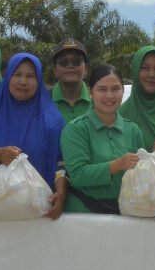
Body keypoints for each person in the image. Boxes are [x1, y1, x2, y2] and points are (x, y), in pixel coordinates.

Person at [0, 52, 67, 217]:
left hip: (40, 211)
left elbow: (61, 162)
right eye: (17, 74)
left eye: (30, 76)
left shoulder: (53, 120)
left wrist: (61, 195)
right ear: (7, 77)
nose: (23, 81)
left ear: (39, 80)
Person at [62, 64, 148, 215]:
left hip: (126, 213)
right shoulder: (75, 129)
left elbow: (141, 176)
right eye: (102, 89)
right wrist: (116, 165)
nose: (109, 95)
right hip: (84, 215)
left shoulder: (134, 131)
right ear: (91, 93)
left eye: (115, 89)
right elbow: (77, 175)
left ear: (123, 91)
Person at [50, 40, 93, 123]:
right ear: (55, 70)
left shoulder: (98, 99)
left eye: (77, 61)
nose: (70, 66)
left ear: (86, 69)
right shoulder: (43, 100)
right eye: (63, 62)